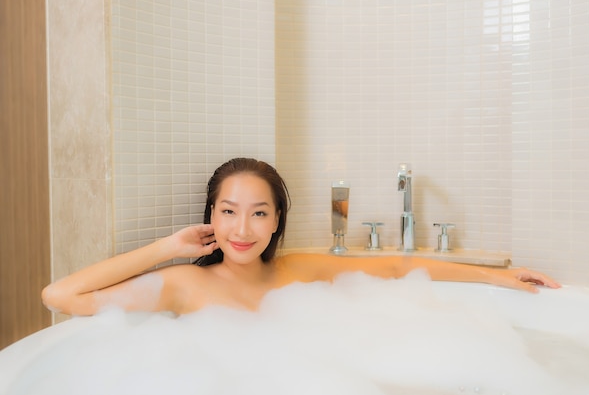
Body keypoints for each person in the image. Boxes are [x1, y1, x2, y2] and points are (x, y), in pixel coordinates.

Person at [42, 157, 561, 316]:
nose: (242, 230)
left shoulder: (301, 270)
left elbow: (400, 268)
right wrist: (167, 248)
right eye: (228, 212)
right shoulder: (182, 286)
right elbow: (59, 296)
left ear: (276, 222)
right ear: (211, 218)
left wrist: (499, 278)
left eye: (258, 214)